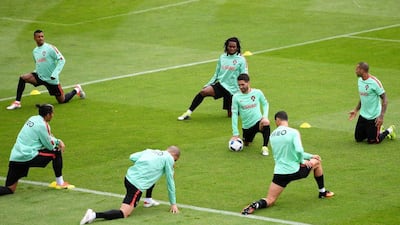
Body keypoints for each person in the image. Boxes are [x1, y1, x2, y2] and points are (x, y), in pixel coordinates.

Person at [241, 111, 334, 215]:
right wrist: (303, 161)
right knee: (317, 162)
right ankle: (322, 192)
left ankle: (256, 204)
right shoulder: (293, 132)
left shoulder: (272, 135)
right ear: (286, 120)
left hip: (280, 174)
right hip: (295, 171)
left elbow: (288, 152)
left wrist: (310, 156)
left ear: (278, 120)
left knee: (270, 200)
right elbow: (298, 151)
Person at [80, 146, 181, 225]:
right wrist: (173, 204)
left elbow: (132, 157)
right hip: (136, 185)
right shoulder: (169, 158)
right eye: (175, 160)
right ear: (174, 155)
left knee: (153, 173)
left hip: (128, 178)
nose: (174, 162)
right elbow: (170, 181)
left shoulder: (150, 151)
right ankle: (93, 215)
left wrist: (143, 165)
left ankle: (148, 200)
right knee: (124, 213)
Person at [0, 104, 74, 196]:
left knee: (10, 189)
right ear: (47, 115)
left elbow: (44, 138)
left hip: (16, 157)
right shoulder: (43, 125)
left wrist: (54, 140)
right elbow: (49, 145)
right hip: (28, 156)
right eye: (52, 113)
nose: (53, 115)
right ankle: (60, 182)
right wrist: (58, 142)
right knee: (56, 152)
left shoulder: (32, 118)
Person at [6, 30, 85, 110]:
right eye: (38, 37)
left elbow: (62, 60)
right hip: (39, 76)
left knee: (62, 100)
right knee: (23, 78)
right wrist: (35, 72)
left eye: (42, 36)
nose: (41, 38)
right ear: (34, 38)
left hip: (51, 79)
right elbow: (38, 63)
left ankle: (77, 89)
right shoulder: (35, 51)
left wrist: (55, 74)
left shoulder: (50, 48)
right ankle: (17, 102)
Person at [177, 37, 248, 120]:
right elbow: (216, 73)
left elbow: (244, 75)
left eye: (234, 47)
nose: (232, 48)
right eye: (230, 46)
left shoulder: (241, 60)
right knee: (203, 92)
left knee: (231, 115)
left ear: (237, 48)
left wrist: (242, 90)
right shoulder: (222, 57)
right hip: (222, 85)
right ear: (226, 47)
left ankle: (240, 107)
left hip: (233, 90)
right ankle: (188, 113)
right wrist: (208, 84)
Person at [348, 62, 396, 143]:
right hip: (363, 115)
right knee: (358, 138)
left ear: (363, 70)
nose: (355, 71)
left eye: (357, 69)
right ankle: (377, 130)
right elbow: (363, 97)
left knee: (373, 141)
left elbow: (384, 98)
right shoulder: (360, 80)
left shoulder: (375, 82)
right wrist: (356, 110)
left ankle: (389, 130)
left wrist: (381, 116)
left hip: (373, 117)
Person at [231, 73, 271, 156]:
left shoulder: (257, 92)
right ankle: (247, 139)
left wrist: (265, 117)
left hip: (258, 122)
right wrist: (235, 133)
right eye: (239, 85)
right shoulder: (236, 97)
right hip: (247, 126)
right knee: (247, 144)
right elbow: (234, 114)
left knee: (266, 123)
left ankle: (265, 147)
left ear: (248, 83)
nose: (241, 87)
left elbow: (265, 104)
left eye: (243, 84)